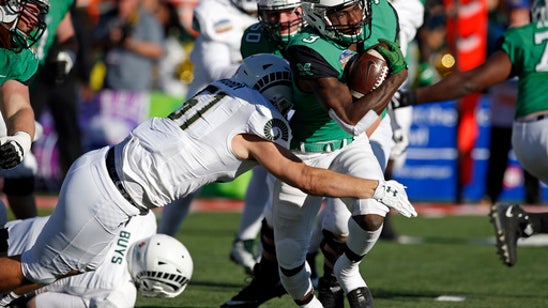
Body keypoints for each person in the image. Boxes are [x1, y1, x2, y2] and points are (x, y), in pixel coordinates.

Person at [0, 54, 415, 304]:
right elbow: (305, 176)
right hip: (112, 197)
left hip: (99, 167)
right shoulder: (258, 126)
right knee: (37, 270)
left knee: (73, 263)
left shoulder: (220, 90)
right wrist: (375, 187)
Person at [255, 0, 409, 307]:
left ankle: (348, 270)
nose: (353, 18)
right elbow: (349, 119)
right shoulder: (306, 47)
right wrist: (396, 76)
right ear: (316, 14)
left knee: (373, 214)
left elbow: (354, 129)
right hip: (304, 153)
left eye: (355, 8)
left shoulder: (381, 12)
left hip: (348, 146)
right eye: (341, 12)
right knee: (291, 265)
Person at [390, 0, 548, 267]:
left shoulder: (524, 36)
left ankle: (529, 221)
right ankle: (528, 220)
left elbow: (470, 81)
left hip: (524, 138)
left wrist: (410, 97)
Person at [157, 0, 262, 274]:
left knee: (275, 167)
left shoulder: (281, 13)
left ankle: (247, 240)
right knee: (184, 184)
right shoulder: (213, 11)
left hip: (254, 110)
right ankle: (161, 240)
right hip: (207, 111)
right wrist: (269, 71)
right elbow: (217, 71)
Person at [0, 212, 194, 307]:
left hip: (11, 230)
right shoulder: (117, 295)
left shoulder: (144, 218)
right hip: (10, 275)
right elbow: (39, 304)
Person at [0, 0, 49, 175]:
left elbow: (18, 107)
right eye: (31, 11)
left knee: (23, 171)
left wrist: (21, 140)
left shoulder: (17, 55)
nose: (34, 20)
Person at [92, 0, 165, 91]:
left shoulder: (148, 20)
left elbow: (158, 51)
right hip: (110, 86)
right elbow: (92, 42)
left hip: (137, 89)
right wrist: (108, 39)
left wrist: (132, 44)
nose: (122, 5)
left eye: (126, 1)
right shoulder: (108, 18)